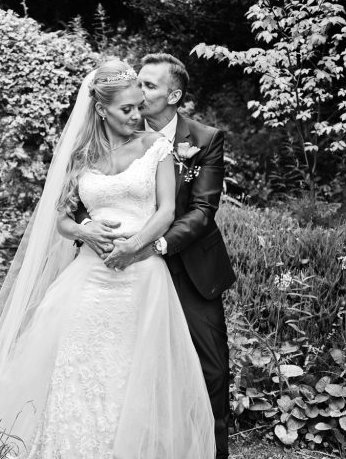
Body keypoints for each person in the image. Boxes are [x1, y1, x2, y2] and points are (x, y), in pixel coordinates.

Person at [0, 59, 216, 458]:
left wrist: (134, 246)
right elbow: (60, 220)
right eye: (127, 109)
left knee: (130, 370)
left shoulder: (156, 147)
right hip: (89, 277)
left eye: (140, 105)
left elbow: (166, 212)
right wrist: (84, 230)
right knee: (77, 366)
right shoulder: (82, 155)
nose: (137, 115)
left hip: (141, 277)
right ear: (101, 109)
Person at [72, 53, 236, 459]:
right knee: (127, 365)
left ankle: (213, 453)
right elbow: (91, 194)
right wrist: (87, 230)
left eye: (149, 86)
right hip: (123, 270)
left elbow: (201, 211)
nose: (139, 94)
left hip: (186, 266)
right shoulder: (119, 131)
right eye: (136, 84)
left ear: (173, 95)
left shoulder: (205, 139)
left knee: (211, 369)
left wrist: (153, 245)